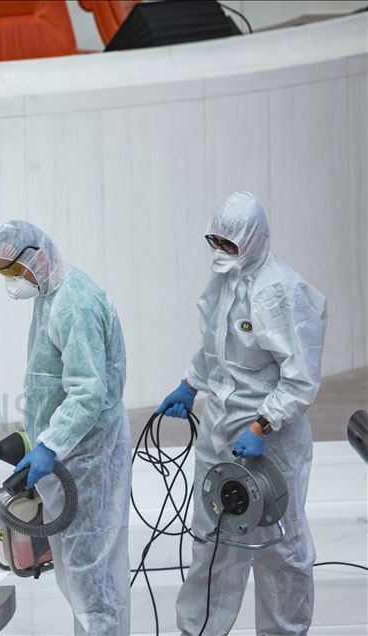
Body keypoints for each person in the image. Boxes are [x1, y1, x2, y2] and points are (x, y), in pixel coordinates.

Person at [158, 191, 327, 635]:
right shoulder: (224, 280)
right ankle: (199, 630)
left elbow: (301, 379)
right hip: (220, 434)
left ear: (253, 239)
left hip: (272, 445)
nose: (220, 251)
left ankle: (284, 630)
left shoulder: (283, 292)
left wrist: (263, 424)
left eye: (229, 244)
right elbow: (215, 347)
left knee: (279, 546)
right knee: (212, 543)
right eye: (215, 241)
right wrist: (190, 383)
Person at [0, 219, 131, 634]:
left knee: (92, 576)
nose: (12, 280)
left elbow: (88, 391)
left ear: (39, 256)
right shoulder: (49, 297)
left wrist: (50, 444)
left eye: (15, 269)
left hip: (88, 455)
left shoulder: (75, 303)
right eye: (2, 271)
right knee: (76, 572)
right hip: (68, 454)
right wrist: (36, 438)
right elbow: (48, 380)